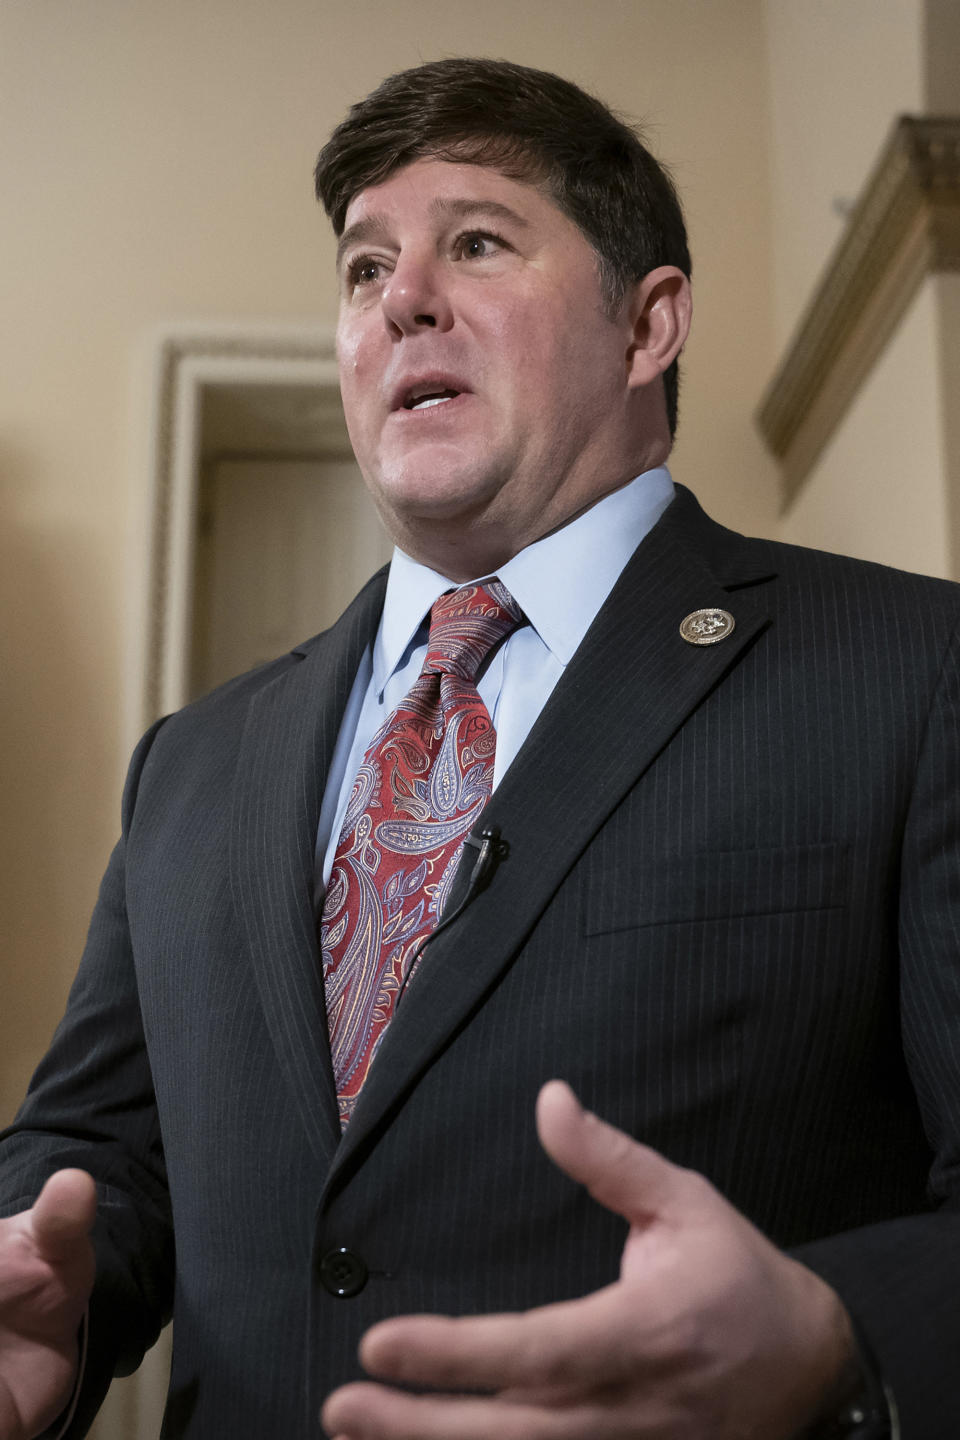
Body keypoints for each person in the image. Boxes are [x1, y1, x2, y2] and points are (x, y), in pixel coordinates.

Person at [1, 56, 958, 1440]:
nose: (401, 297)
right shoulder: (192, 764)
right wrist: (51, 1291)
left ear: (650, 325)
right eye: (364, 267)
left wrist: (837, 1338)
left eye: (479, 242)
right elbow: (100, 1153)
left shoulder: (909, 676)